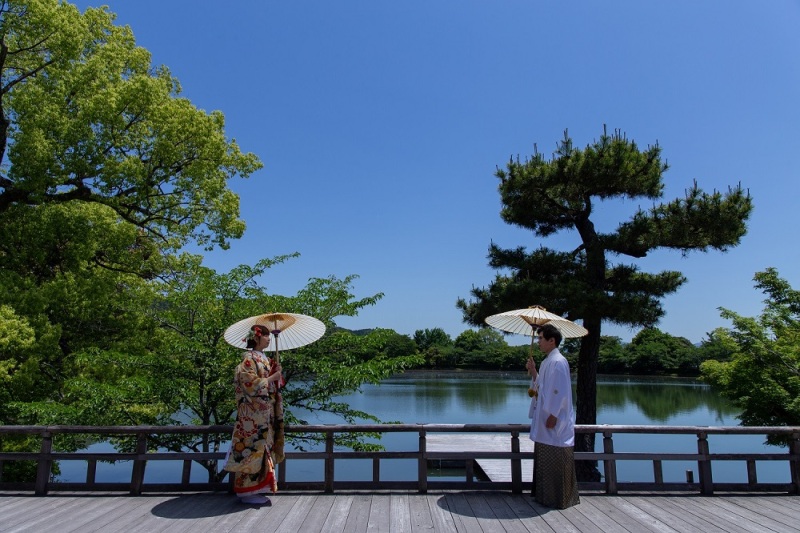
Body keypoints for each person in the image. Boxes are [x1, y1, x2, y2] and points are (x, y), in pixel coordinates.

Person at [224, 324, 284, 505]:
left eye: (267, 336)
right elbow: (248, 383)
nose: (267, 339)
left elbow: (273, 385)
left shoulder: (263, 359)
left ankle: (259, 488)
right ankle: (246, 492)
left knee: (263, 448)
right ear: (256, 338)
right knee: (251, 450)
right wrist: (271, 378)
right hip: (253, 416)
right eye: (265, 336)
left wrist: (276, 373)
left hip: (265, 414)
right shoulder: (248, 359)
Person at [526, 323, 580, 509]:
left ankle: (557, 497)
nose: (538, 342)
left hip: (554, 419)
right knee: (544, 454)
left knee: (555, 454)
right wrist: (534, 372)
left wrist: (555, 415)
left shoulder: (558, 362)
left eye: (541, 338)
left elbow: (560, 391)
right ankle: (544, 496)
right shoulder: (548, 361)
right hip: (546, 416)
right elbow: (543, 386)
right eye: (538, 338)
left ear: (552, 340)